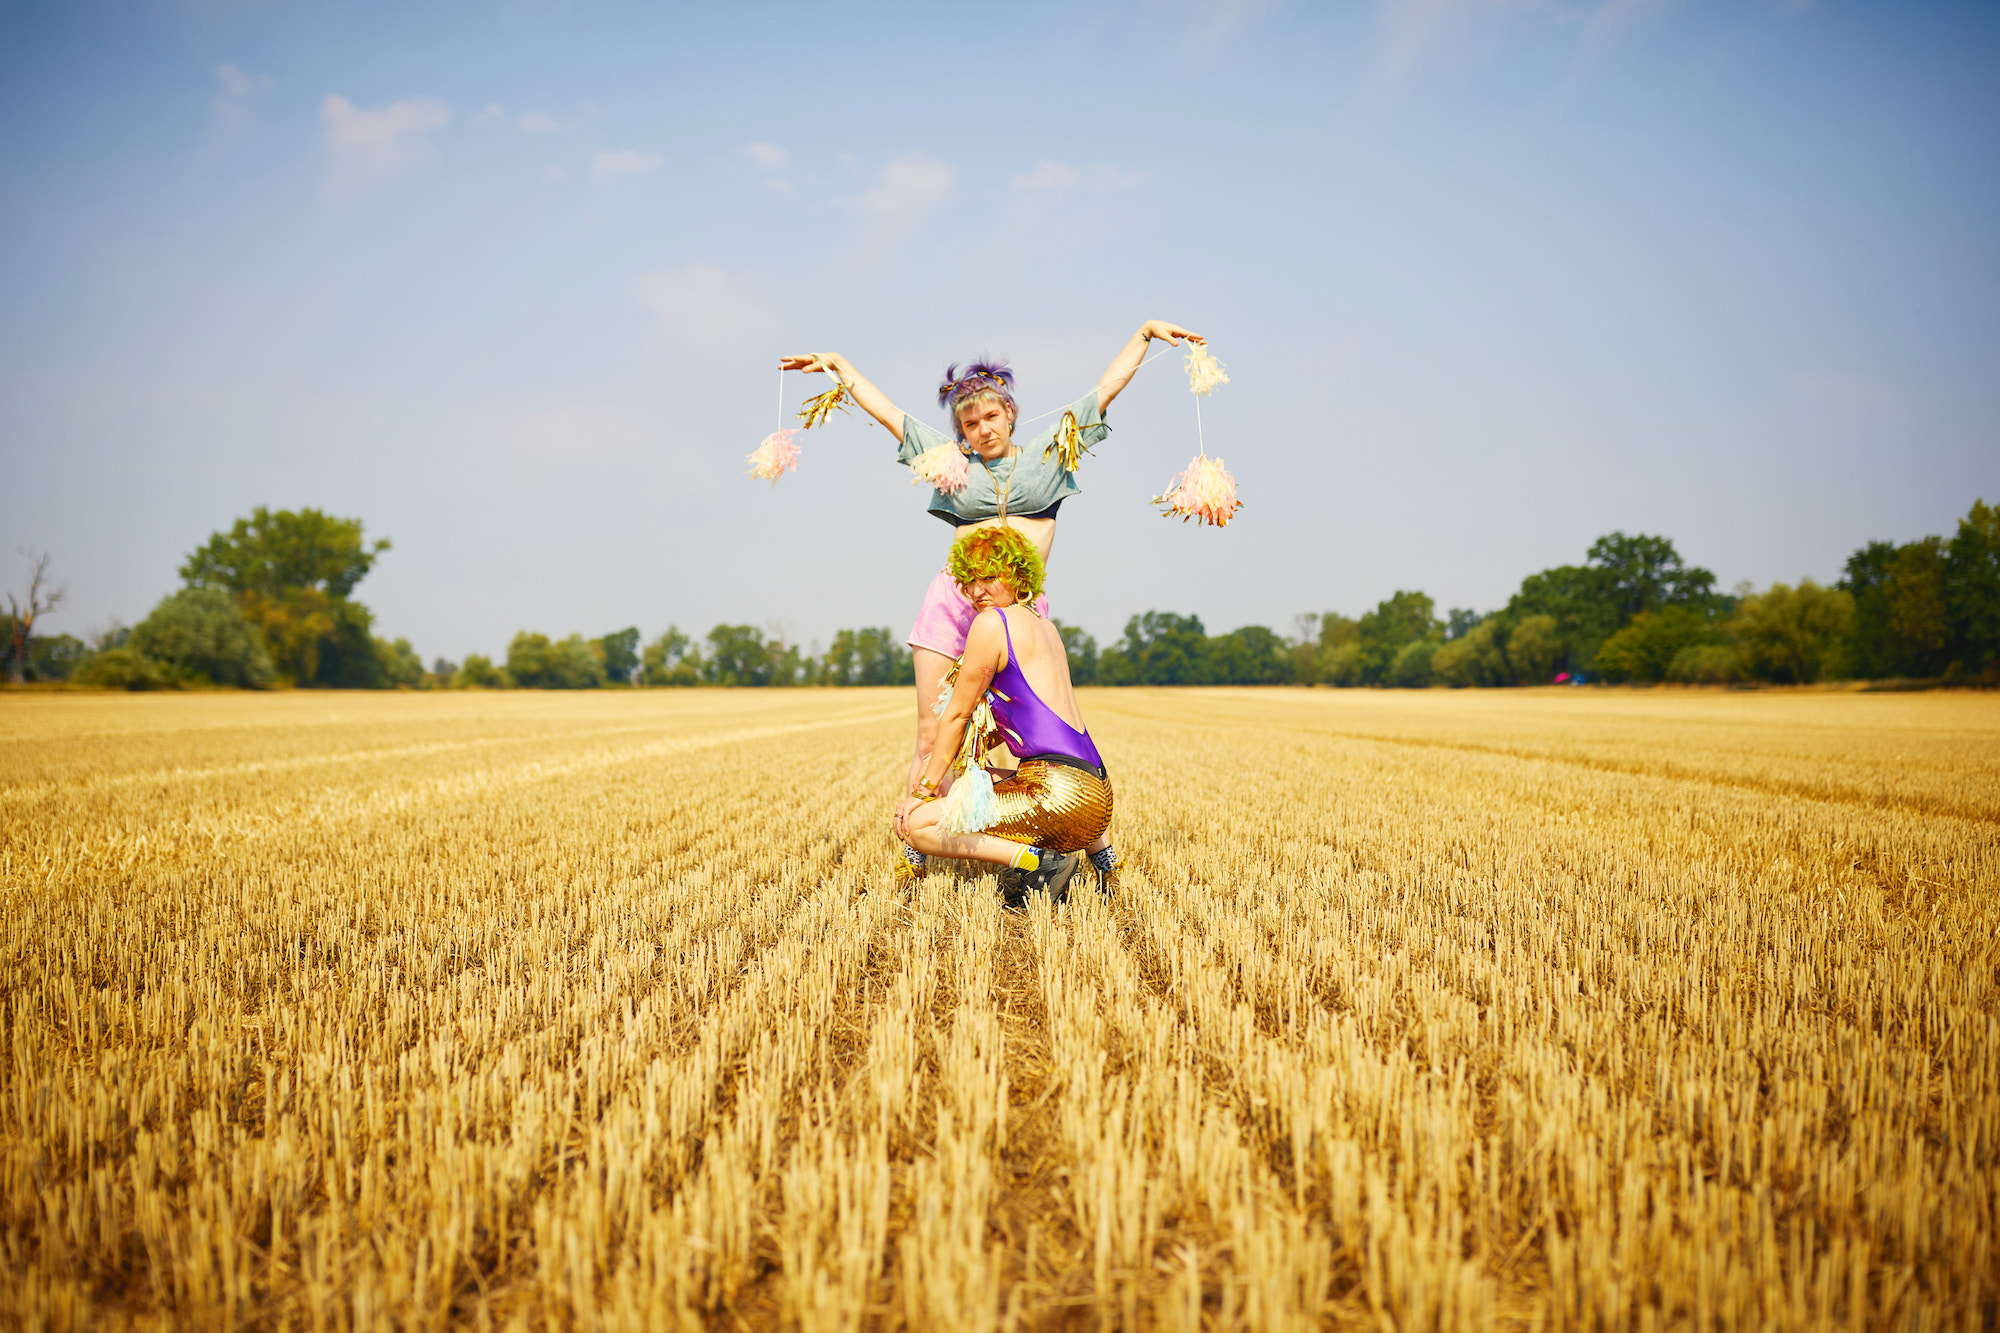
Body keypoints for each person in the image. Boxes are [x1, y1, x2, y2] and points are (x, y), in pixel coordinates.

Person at [780, 319, 1199, 880]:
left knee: (1035, 732)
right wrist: (839, 367)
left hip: (1018, 612)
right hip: (953, 607)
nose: (982, 429)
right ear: (961, 431)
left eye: (991, 417)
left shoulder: (1051, 454)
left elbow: (1105, 391)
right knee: (932, 729)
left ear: (1010, 414)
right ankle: (918, 842)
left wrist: (1143, 335)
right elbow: (890, 416)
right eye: (970, 423)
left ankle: (1096, 846)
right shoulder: (951, 467)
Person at [892, 525, 1113, 903]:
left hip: (1057, 793)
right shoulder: (1046, 626)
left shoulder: (992, 623)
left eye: (990, 577)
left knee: (917, 826)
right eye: (970, 581)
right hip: (1098, 792)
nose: (977, 591)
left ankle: (1038, 862)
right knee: (972, 783)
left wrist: (922, 792)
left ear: (1018, 575)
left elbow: (958, 715)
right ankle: (1105, 864)